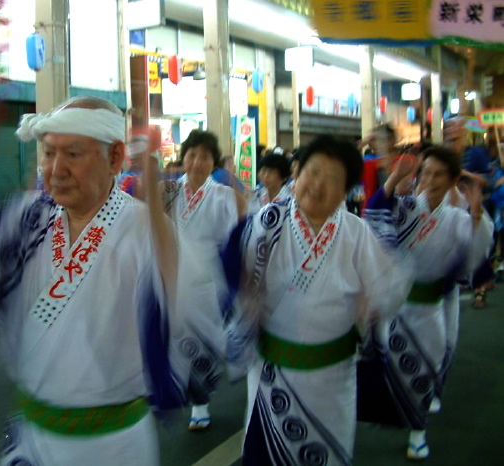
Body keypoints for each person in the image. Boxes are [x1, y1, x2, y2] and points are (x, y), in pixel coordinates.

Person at [0, 97, 221, 466]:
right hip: (31, 439)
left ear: (115, 159)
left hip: (113, 447)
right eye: (48, 153)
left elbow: (178, 301)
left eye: (73, 154)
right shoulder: (29, 220)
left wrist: (154, 205)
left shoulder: (142, 228)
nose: (55, 169)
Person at [222, 134, 412, 465]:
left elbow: (390, 288)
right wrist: (244, 297)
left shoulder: (356, 233)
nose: (318, 185)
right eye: (313, 172)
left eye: (333, 179)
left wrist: (372, 304)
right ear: (297, 173)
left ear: (346, 192)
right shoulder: (267, 224)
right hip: (272, 378)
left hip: (332, 380)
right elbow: (232, 268)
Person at [361, 146, 492, 460]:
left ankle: (418, 431)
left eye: (439, 174)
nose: (430, 179)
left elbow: (476, 256)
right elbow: (376, 217)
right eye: (426, 172)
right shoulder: (408, 208)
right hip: (397, 308)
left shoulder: (460, 220)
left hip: (431, 309)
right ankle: (393, 412)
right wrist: (393, 178)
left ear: (451, 182)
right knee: (388, 368)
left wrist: (476, 215)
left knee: (425, 371)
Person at [162, 130, 242, 431]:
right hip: (176, 280)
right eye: (192, 155)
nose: (197, 162)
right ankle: (182, 391)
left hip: (209, 283)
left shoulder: (222, 197)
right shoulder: (169, 191)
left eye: (205, 156)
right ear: (184, 158)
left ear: (214, 163)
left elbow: (234, 241)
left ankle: (200, 402)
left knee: (203, 345)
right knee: (178, 342)